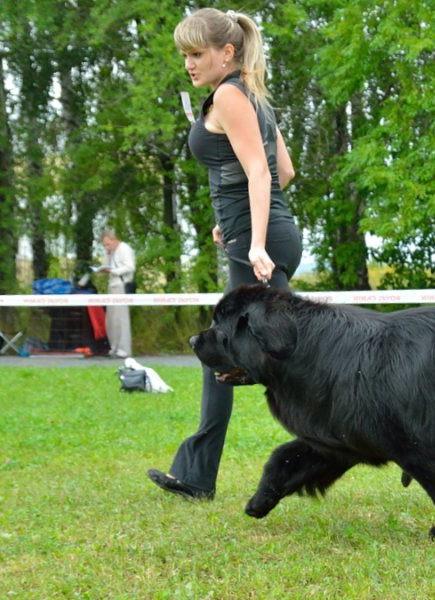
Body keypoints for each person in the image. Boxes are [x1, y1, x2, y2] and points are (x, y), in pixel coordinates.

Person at [147, 8, 302, 501]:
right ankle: (196, 474)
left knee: (298, 358)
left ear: (226, 52)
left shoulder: (233, 95)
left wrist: (254, 242)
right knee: (228, 354)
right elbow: (287, 172)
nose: (189, 64)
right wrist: (232, 221)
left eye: (197, 54)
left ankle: (379, 436)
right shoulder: (252, 94)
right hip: (267, 236)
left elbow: (262, 173)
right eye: (185, 56)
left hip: (260, 245)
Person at [98, 229, 135, 358]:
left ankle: (124, 349)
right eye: (104, 245)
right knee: (111, 319)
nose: (106, 247)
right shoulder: (111, 252)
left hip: (121, 285)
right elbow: (106, 265)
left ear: (114, 240)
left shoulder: (125, 249)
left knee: (121, 318)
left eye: (108, 244)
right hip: (112, 285)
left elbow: (130, 266)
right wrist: (107, 254)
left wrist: (115, 271)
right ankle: (114, 347)